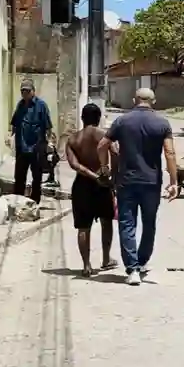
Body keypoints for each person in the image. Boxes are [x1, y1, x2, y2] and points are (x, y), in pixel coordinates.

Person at [98, 88, 178, 286]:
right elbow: (170, 153)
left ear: (135, 100)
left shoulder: (122, 121)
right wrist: (174, 181)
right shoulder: (162, 123)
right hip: (152, 182)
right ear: (154, 101)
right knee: (149, 223)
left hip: (126, 181)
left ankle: (132, 269)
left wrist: (104, 167)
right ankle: (141, 262)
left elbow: (102, 145)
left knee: (127, 223)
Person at [66, 103, 117, 277]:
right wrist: (110, 177)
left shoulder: (73, 139)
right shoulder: (105, 136)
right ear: (98, 118)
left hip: (81, 185)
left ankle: (86, 265)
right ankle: (105, 258)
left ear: (82, 118)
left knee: (83, 227)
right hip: (103, 184)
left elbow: (74, 165)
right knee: (106, 222)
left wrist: (91, 176)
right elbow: (116, 154)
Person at [9, 79, 53, 205]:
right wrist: (10, 136)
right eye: (22, 91)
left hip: (37, 147)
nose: (25, 93)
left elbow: (48, 126)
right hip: (22, 147)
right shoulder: (20, 105)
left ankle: (35, 202)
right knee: (19, 177)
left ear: (33, 91)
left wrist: (48, 142)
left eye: (27, 91)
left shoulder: (41, 106)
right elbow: (15, 124)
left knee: (37, 177)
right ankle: (17, 202)